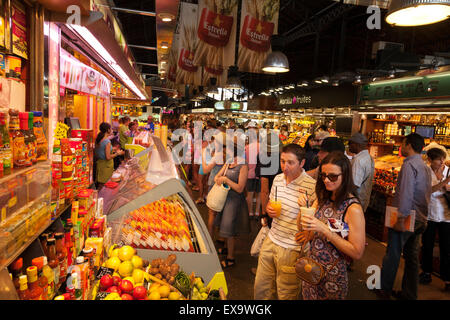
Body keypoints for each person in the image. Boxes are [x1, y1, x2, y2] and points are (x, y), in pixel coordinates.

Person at [296, 151, 366, 300]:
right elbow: (304, 230)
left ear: (345, 175)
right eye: (323, 175)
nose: (327, 180)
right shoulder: (323, 198)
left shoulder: (353, 208)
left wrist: (325, 230)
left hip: (333, 276)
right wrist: (302, 210)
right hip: (311, 271)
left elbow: (357, 252)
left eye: (333, 176)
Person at [254, 144, 317, 300]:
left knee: (286, 293)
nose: (285, 166)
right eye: (282, 161)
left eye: (290, 162)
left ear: (302, 163)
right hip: (271, 239)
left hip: (291, 248)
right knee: (261, 289)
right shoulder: (277, 179)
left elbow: (317, 218)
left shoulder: (311, 186)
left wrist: (309, 234)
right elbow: (271, 202)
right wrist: (269, 210)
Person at [378, 133, 432, 300]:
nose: (401, 146)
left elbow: (405, 194)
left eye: (403, 143)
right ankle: (409, 294)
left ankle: (384, 289)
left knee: (393, 253)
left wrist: (400, 218)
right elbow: (427, 193)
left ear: (408, 145)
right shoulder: (425, 167)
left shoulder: (409, 166)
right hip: (421, 217)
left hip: (406, 215)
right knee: (412, 258)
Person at [213, 141, 249, 268]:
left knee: (230, 229)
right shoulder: (228, 163)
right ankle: (228, 250)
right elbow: (216, 176)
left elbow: (240, 188)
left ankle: (231, 258)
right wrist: (218, 179)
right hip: (225, 200)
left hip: (235, 202)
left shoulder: (243, 166)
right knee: (225, 227)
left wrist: (226, 180)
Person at [419, 148, 450, 291]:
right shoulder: (426, 172)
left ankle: (448, 279)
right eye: (439, 159)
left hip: (446, 216)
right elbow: (427, 191)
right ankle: (426, 272)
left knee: (447, 248)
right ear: (430, 160)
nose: (442, 162)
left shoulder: (448, 171)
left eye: (443, 159)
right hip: (430, 214)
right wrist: (444, 183)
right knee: (427, 245)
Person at [348, 133, 375, 213]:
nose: (349, 146)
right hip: (363, 199)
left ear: (356, 145)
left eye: (350, 144)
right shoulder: (369, 157)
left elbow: (354, 185)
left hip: (356, 201)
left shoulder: (358, 160)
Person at [95, 122, 124, 189]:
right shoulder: (107, 142)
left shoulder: (99, 139)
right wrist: (117, 153)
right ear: (108, 130)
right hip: (106, 166)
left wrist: (113, 149)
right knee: (104, 187)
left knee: (100, 184)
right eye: (111, 128)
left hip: (100, 165)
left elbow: (101, 150)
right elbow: (108, 157)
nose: (112, 130)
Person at [245, 121, 261, 218]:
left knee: (250, 194)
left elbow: (245, 162)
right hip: (260, 174)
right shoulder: (263, 147)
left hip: (249, 173)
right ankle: (257, 212)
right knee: (259, 194)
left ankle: (250, 212)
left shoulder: (246, 148)